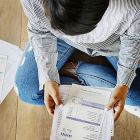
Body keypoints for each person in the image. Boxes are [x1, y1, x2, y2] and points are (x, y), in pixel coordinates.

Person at [15, 0, 140, 121]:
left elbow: (133, 40)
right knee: (27, 90)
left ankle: (74, 70)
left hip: (112, 43)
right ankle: (75, 72)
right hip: (57, 37)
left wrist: (123, 84)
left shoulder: (131, 7)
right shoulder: (33, 2)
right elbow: (40, 31)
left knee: (136, 97)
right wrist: (48, 77)